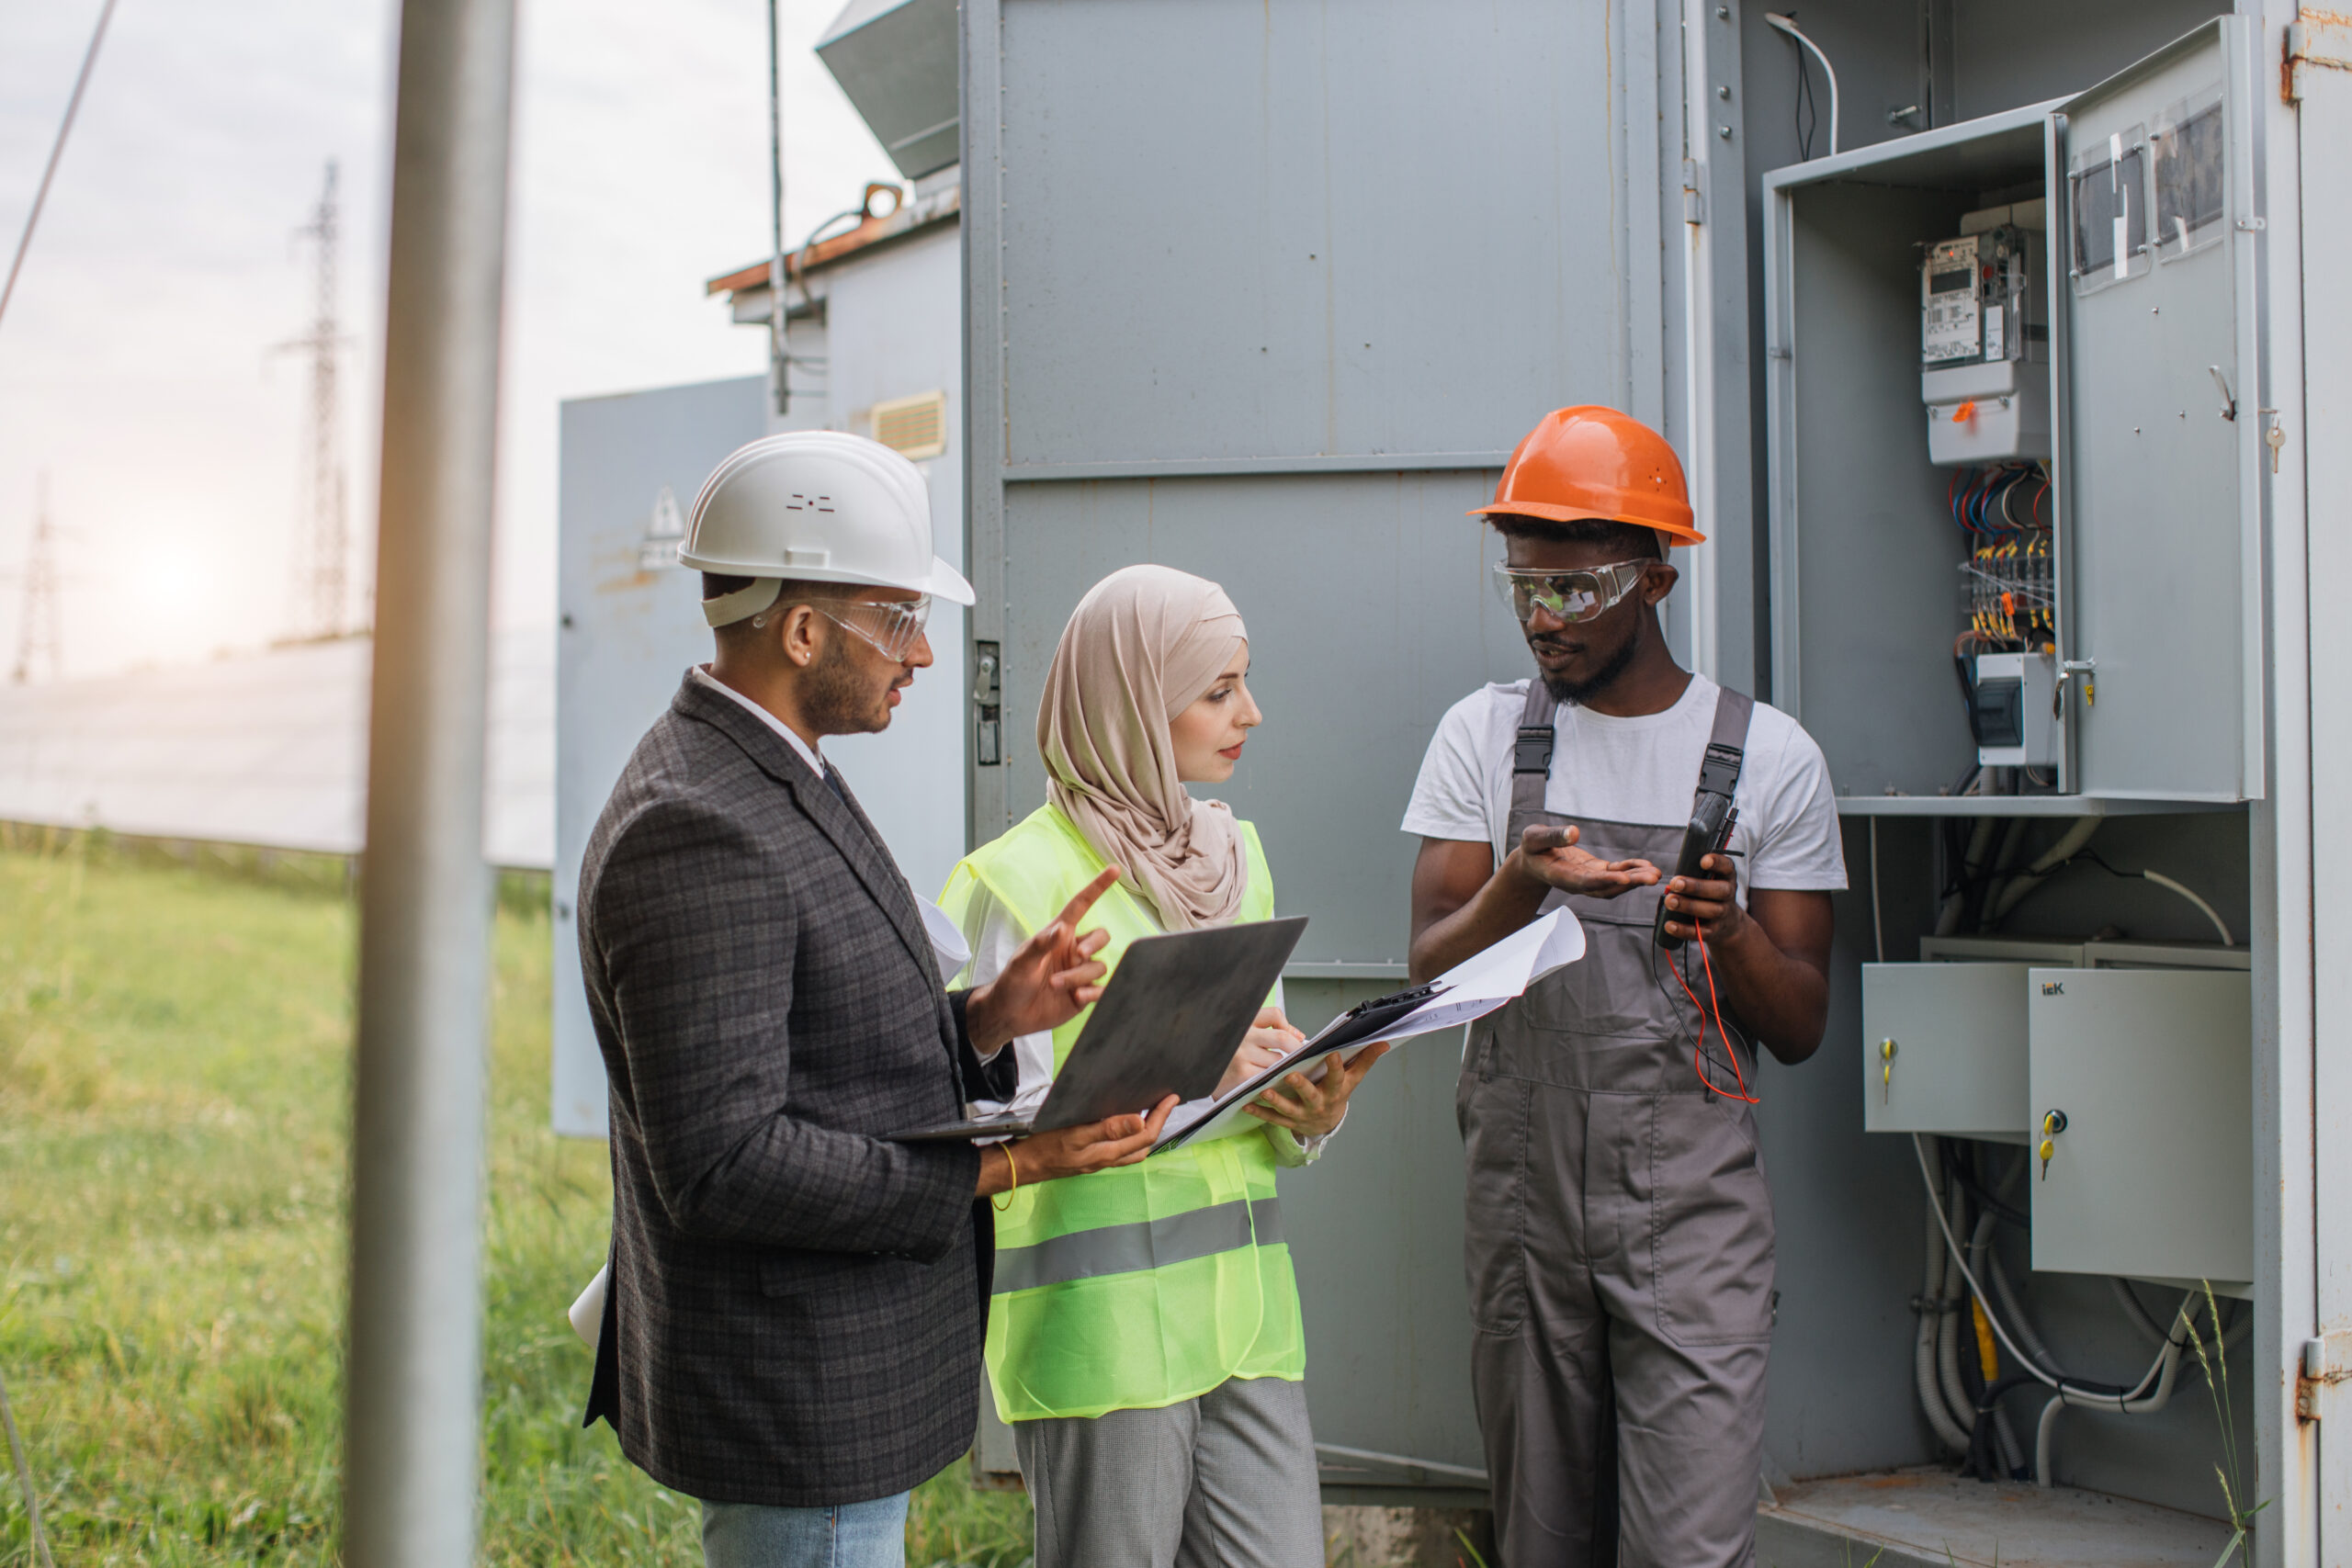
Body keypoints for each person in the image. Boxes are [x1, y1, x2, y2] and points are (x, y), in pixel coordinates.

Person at [576, 432, 1178, 1568]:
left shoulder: (772, 769)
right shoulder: (696, 825)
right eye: (898, 621)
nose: (923, 657)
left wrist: (989, 1018)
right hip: (796, 1389)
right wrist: (1013, 1164)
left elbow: (812, 1051)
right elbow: (724, 1162)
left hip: (832, 1373)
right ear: (802, 631)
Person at [1401, 407, 1846, 1567]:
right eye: (1524, 588)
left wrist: (1729, 931)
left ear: (1655, 580)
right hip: (1522, 1201)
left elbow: (1798, 1024)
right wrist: (1521, 883)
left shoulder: (1770, 756)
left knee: (1687, 1547)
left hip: (1687, 1211)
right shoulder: (1483, 737)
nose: (1544, 619)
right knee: (1540, 1538)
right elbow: (1429, 967)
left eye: (1576, 591)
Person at [936, 564, 1388, 1568]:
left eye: (1244, 682)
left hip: (1246, 1325)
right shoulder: (1021, 878)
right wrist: (1212, 1066)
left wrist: (1307, 1107)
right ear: (1134, 705)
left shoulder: (1237, 857)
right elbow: (1013, 1117)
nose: (1250, 714)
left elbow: (1255, 1071)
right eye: (1217, 690)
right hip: (1102, 1339)